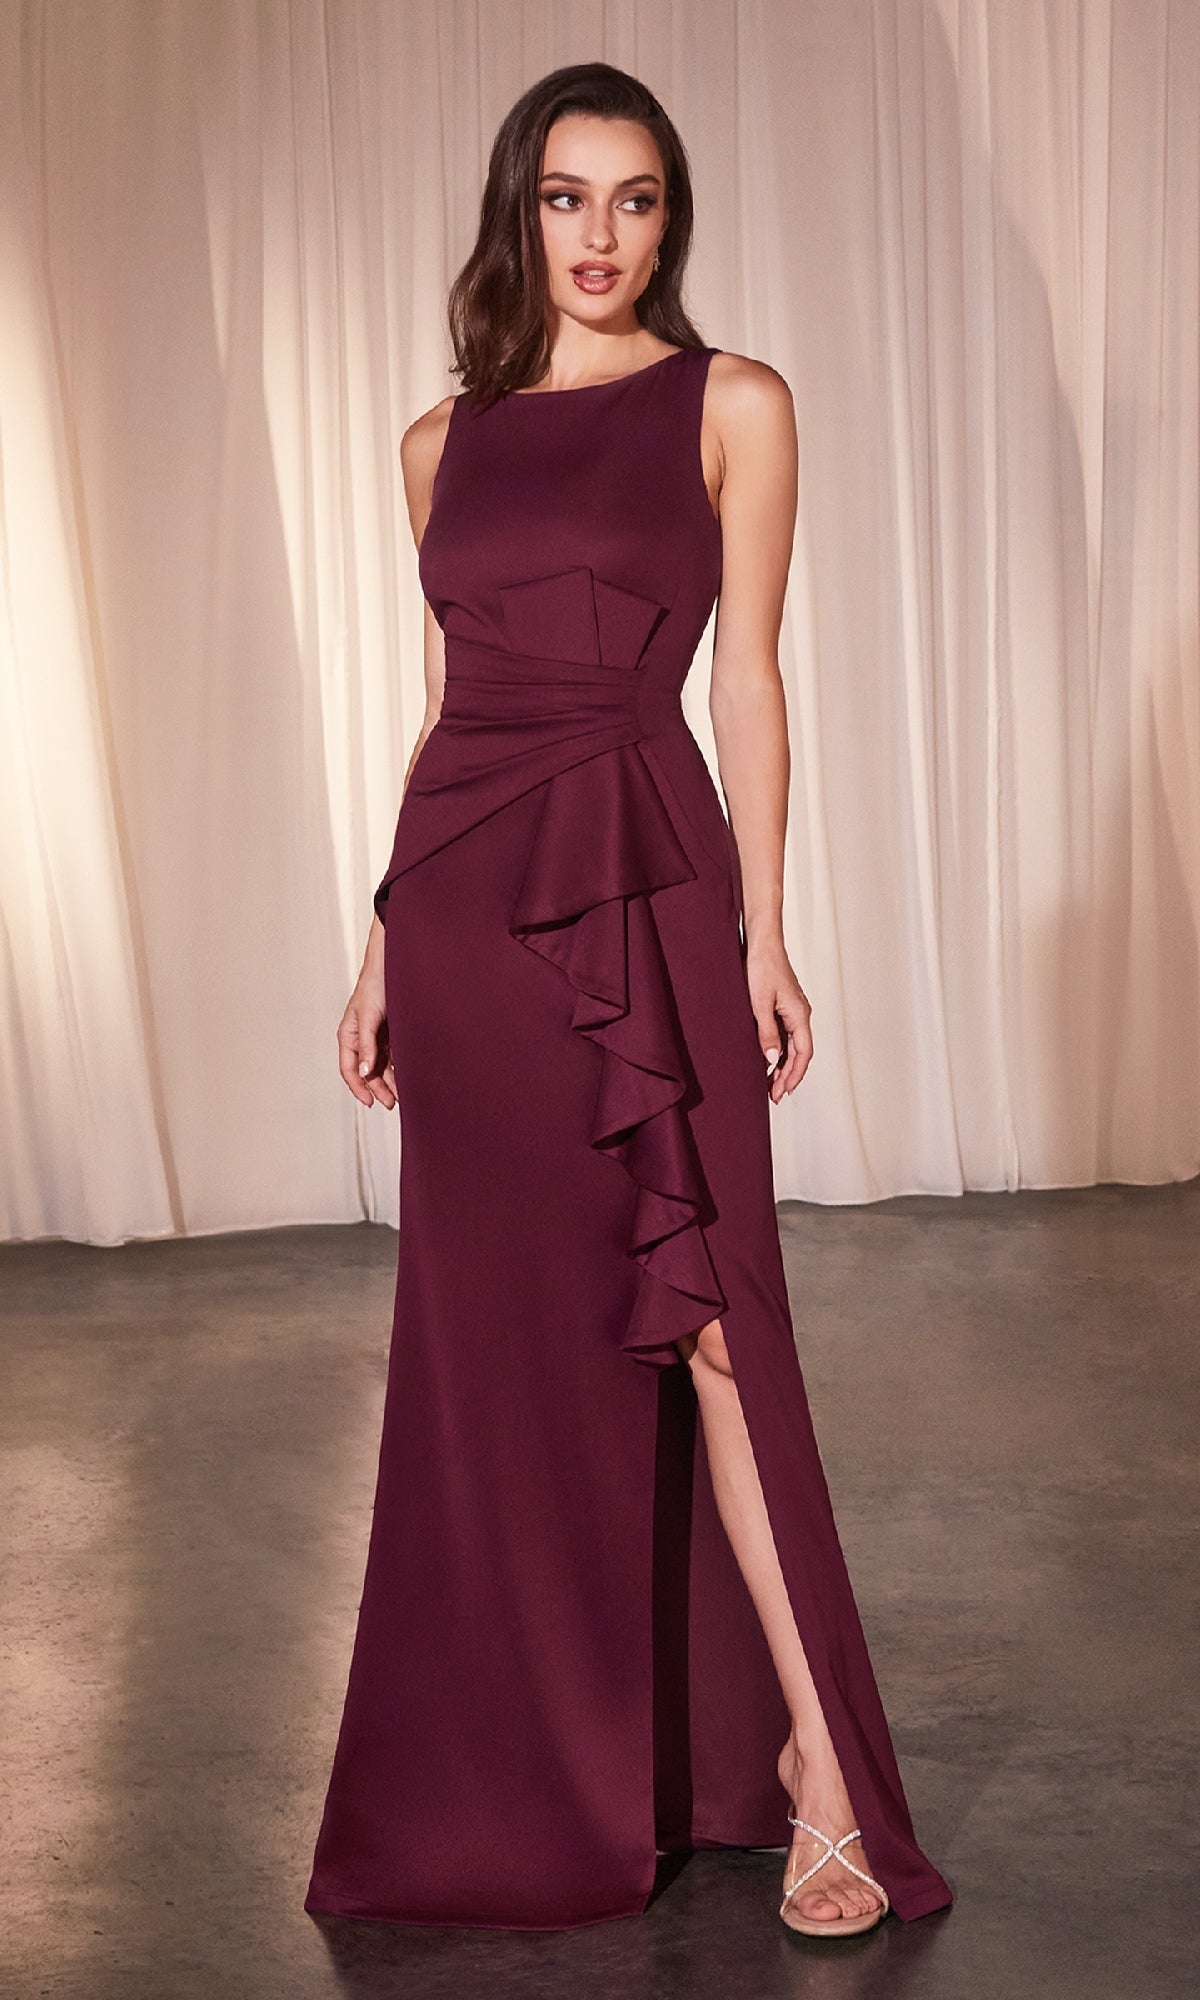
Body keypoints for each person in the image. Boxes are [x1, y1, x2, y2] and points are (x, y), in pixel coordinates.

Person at [305, 60, 953, 1941]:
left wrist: (761, 926)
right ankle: (547, 1774)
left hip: (651, 875)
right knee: (502, 1350)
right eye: (568, 200)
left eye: (638, 200)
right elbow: (446, 713)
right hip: (466, 914)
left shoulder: (734, 403)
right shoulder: (442, 439)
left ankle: (823, 1767)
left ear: (675, 218)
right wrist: (375, 942)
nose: (601, 237)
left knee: (715, 1323)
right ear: (520, 211)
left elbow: (747, 676)